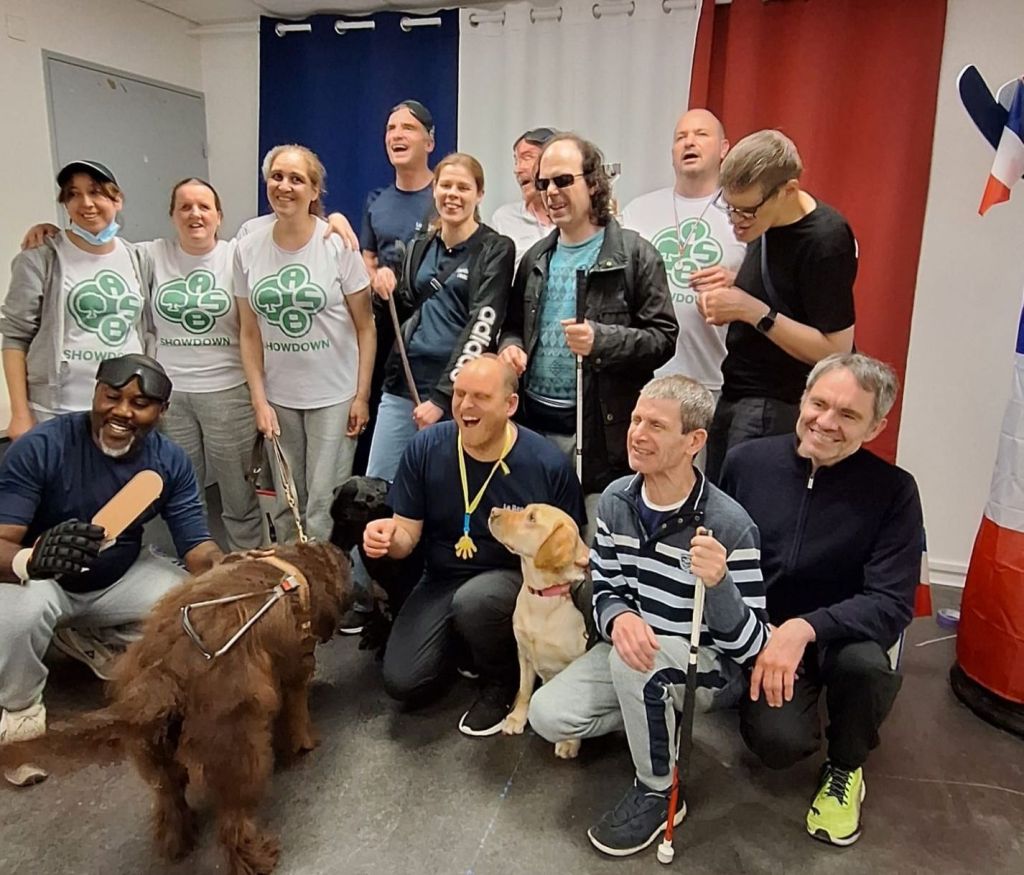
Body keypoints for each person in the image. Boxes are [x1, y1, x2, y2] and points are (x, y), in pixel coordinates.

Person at [528, 374, 768, 857]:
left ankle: (659, 791)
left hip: (708, 668)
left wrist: (719, 584)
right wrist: (616, 618)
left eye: (656, 426)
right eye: (636, 420)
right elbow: (604, 587)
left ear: (693, 442)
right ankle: (651, 720)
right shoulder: (616, 501)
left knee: (634, 665)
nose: (636, 433)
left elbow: (751, 645)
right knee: (546, 716)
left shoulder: (730, 524)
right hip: (635, 649)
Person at [719, 352, 923, 847]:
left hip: (840, 635)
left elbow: (893, 603)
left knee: (867, 669)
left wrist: (805, 628)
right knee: (778, 745)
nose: (826, 422)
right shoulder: (746, 462)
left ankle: (846, 767)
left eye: (849, 415)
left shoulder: (895, 491)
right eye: (819, 403)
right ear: (803, 399)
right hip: (761, 635)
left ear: (874, 427)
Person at [0, 354, 222, 786]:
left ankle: (89, 634)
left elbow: (197, 548)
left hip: (120, 576)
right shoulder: (43, 446)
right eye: (113, 396)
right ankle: (20, 714)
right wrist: (30, 558)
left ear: (161, 412)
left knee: (191, 610)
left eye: (140, 403)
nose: (122, 411)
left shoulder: (169, 461)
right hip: (43, 580)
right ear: (96, 392)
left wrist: (231, 568)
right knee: (18, 615)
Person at [363, 355, 585, 736]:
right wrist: (386, 537)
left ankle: (501, 682)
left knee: (477, 600)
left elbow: (571, 552)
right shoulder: (427, 446)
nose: (466, 406)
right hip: (442, 576)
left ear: (509, 405)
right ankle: (465, 646)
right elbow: (406, 536)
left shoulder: (546, 464)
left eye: (480, 396)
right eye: (460, 394)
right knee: (404, 682)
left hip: (512, 580)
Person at [498, 133, 677, 527]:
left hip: (600, 434)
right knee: (539, 549)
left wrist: (602, 340)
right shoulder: (536, 257)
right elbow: (511, 326)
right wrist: (509, 348)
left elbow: (663, 337)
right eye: (543, 183)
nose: (551, 192)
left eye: (563, 180)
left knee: (593, 553)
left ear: (593, 182)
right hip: (535, 428)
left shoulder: (635, 254)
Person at [234, 144, 375, 543]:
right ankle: (293, 584)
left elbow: (366, 327)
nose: (285, 186)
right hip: (279, 398)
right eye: (277, 177)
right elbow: (248, 332)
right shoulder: (247, 247)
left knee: (322, 508)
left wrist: (361, 396)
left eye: (297, 179)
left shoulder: (336, 245)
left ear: (315, 191)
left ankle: (324, 593)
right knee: (285, 501)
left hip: (334, 396)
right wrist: (259, 402)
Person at [699, 130, 857, 482]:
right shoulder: (768, 223)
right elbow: (787, 291)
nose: (736, 220)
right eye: (729, 206)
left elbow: (837, 348)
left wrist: (748, 308)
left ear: (788, 190)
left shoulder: (825, 241)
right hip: (737, 392)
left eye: (747, 211)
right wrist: (734, 282)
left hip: (774, 404)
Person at [365, 152, 515, 482]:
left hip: (458, 395)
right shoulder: (419, 246)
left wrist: (442, 397)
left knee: (445, 490)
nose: (453, 194)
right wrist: (382, 290)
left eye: (463, 187)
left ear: (479, 194)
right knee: (379, 486)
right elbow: (400, 312)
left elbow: (483, 324)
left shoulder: (495, 249)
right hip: (401, 385)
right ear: (434, 190)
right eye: (445, 185)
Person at [2, 161, 155, 440]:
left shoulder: (137, 257)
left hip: (124, 408)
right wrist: (20, 413)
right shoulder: (41, 258)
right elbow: (15, 338)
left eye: (96, 192)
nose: (86, 203)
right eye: (74, 194)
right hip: (60, 410)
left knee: (124, 484)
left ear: (117, 199)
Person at [622, 109, 746, 396]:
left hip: (715, 381)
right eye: (681, 137)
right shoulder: (638, 210)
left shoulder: (744, 213)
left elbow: (770, 290)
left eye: (701, 134)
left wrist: (737, 280)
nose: (689, 142)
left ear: (724, 148)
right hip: (647, 380)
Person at [357, 100, 439, 473]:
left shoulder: (446, 195)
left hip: (435, 336)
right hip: (387, 334)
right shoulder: (377, 201)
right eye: (391, 129)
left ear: (430, 142)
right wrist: (373, 276)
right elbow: (367, 257)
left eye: (407, 128)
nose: (397, 135)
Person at [490, 127, 558, 266]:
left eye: (527, 158)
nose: (518, 169)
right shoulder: (504, 219)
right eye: (516, 161)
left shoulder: (573, 218)